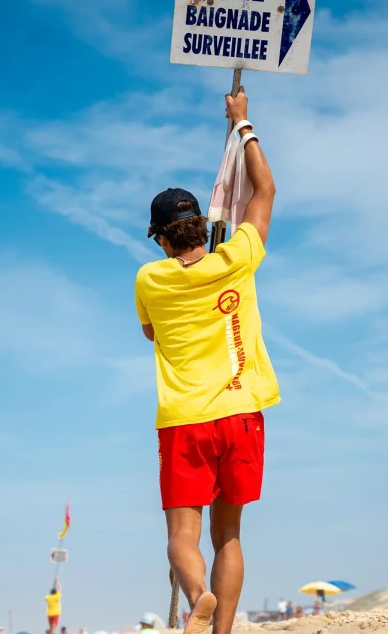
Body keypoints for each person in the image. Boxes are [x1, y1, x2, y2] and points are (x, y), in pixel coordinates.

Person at [134, 88, 280, 634]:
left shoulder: (149, 279)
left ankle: (198, 597)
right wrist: (243, 124)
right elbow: (264, 189)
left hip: (185, 419)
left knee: (182, 538)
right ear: (199, 225)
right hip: (242, 412)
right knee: (230, 536)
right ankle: (220, 631)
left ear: (162, 240)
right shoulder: (238, 257)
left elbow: (151, 333)